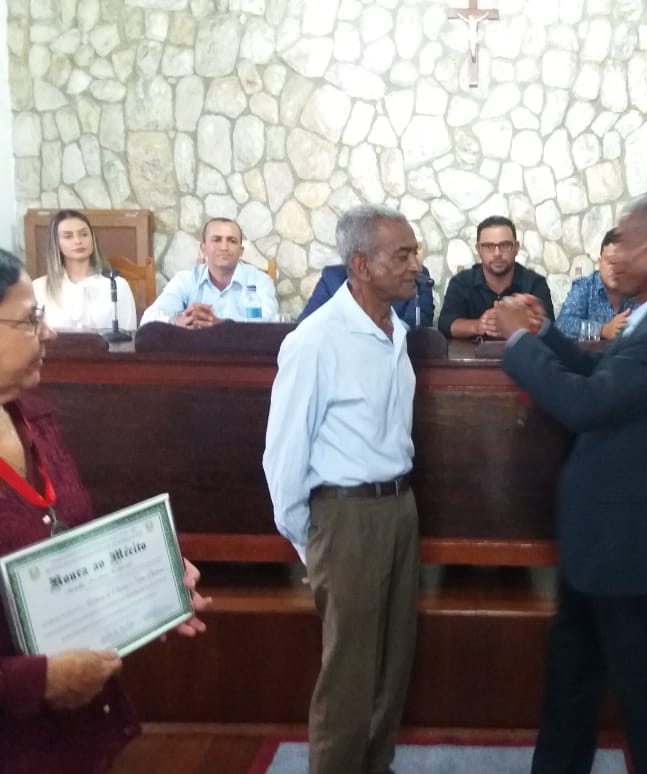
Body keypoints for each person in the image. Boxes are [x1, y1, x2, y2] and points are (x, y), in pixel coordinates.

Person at [493, 191, 647, 774]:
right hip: (600, 543)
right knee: (570, 693)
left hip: (629, 547)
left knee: (646, 706)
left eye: (627, 241)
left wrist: (516, 342)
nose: (614, 254)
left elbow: (586, 405)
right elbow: (603, 376)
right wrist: (544, 333)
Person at [0, 248, 211, 772]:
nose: (48, 333)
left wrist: (150, 585)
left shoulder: (35, 421)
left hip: (75, 741)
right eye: (30, 320)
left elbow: (71, 545)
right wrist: (34, 681)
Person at [263, 205, 421, 774]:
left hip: (399, 508)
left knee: (392, 662)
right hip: (346, 517)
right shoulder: (315, 340)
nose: (415, 265)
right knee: (349, 672)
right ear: (360, 265)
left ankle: (376, 766)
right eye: (401, 254)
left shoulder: (396, 331)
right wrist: (311, 540)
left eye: (414, 252)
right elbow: (283, 454)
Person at [139, 218, 277, 327]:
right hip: (196, 353)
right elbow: (148, 319)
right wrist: (178, 320)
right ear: (203, 248)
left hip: (246, 353)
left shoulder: (259, 281)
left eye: (232, 241)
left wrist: (222, 325)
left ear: (241, 251)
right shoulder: (186, 280)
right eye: (216, 240)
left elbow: (269, 323)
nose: (224, 247)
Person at [437, 215, 554, 339]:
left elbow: (549, 329)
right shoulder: (461, 282)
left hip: (524, 351)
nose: (497, 253)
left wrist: (522, 323)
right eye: (489, 246)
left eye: (505, 245)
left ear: (516, 248)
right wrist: (478, 325)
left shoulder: (535, 283)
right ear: (478, 250)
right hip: (474, 351)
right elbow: (445, 324)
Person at [32, 210, 138, 331]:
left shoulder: (117, 285)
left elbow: (129, 335)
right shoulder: (39, 287)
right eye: (68, 236)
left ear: (92, 238)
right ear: (56, 243)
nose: (78, 241)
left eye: (84, 234)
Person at [554, 228, 637, 340]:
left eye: (621, 263)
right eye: (610, 261)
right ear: (600, 262)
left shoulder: (637, 289)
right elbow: (562, 325)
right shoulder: (585, 287)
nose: (615, 269)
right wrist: (602, 330)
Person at [298, 263, 435, 326]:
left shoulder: (415, 276)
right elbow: (306, 322)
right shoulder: (333, 277)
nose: (413, 262)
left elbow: (419, 322)